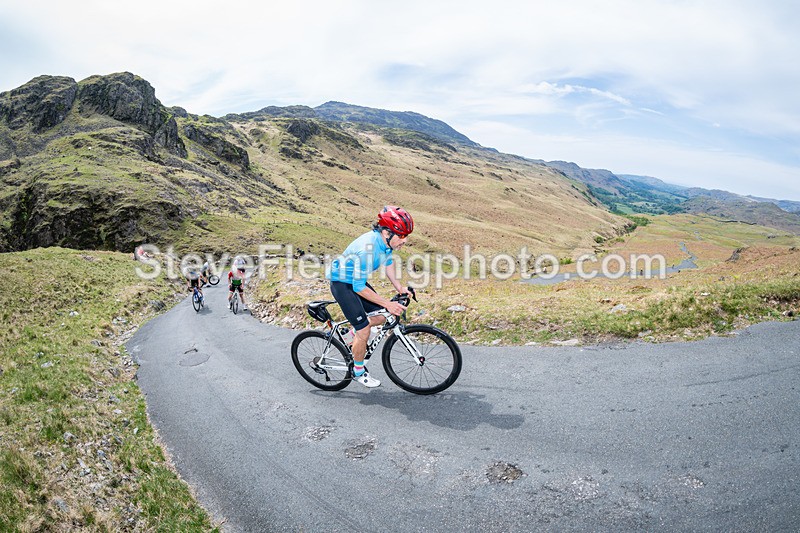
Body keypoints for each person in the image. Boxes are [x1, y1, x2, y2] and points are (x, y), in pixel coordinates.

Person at [327, 206, 414, 388]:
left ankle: (351, 335)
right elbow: (358, 288)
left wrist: (400, 288)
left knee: (384, 315)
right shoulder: (369, 248)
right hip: (342, 284)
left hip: (355, 282)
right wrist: (388, 303)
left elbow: (388, 263)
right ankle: (358, 371)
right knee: (365, 329)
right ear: (386, 232)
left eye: (406, 236)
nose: (404, 241)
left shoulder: (385, 244)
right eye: (402, 236)